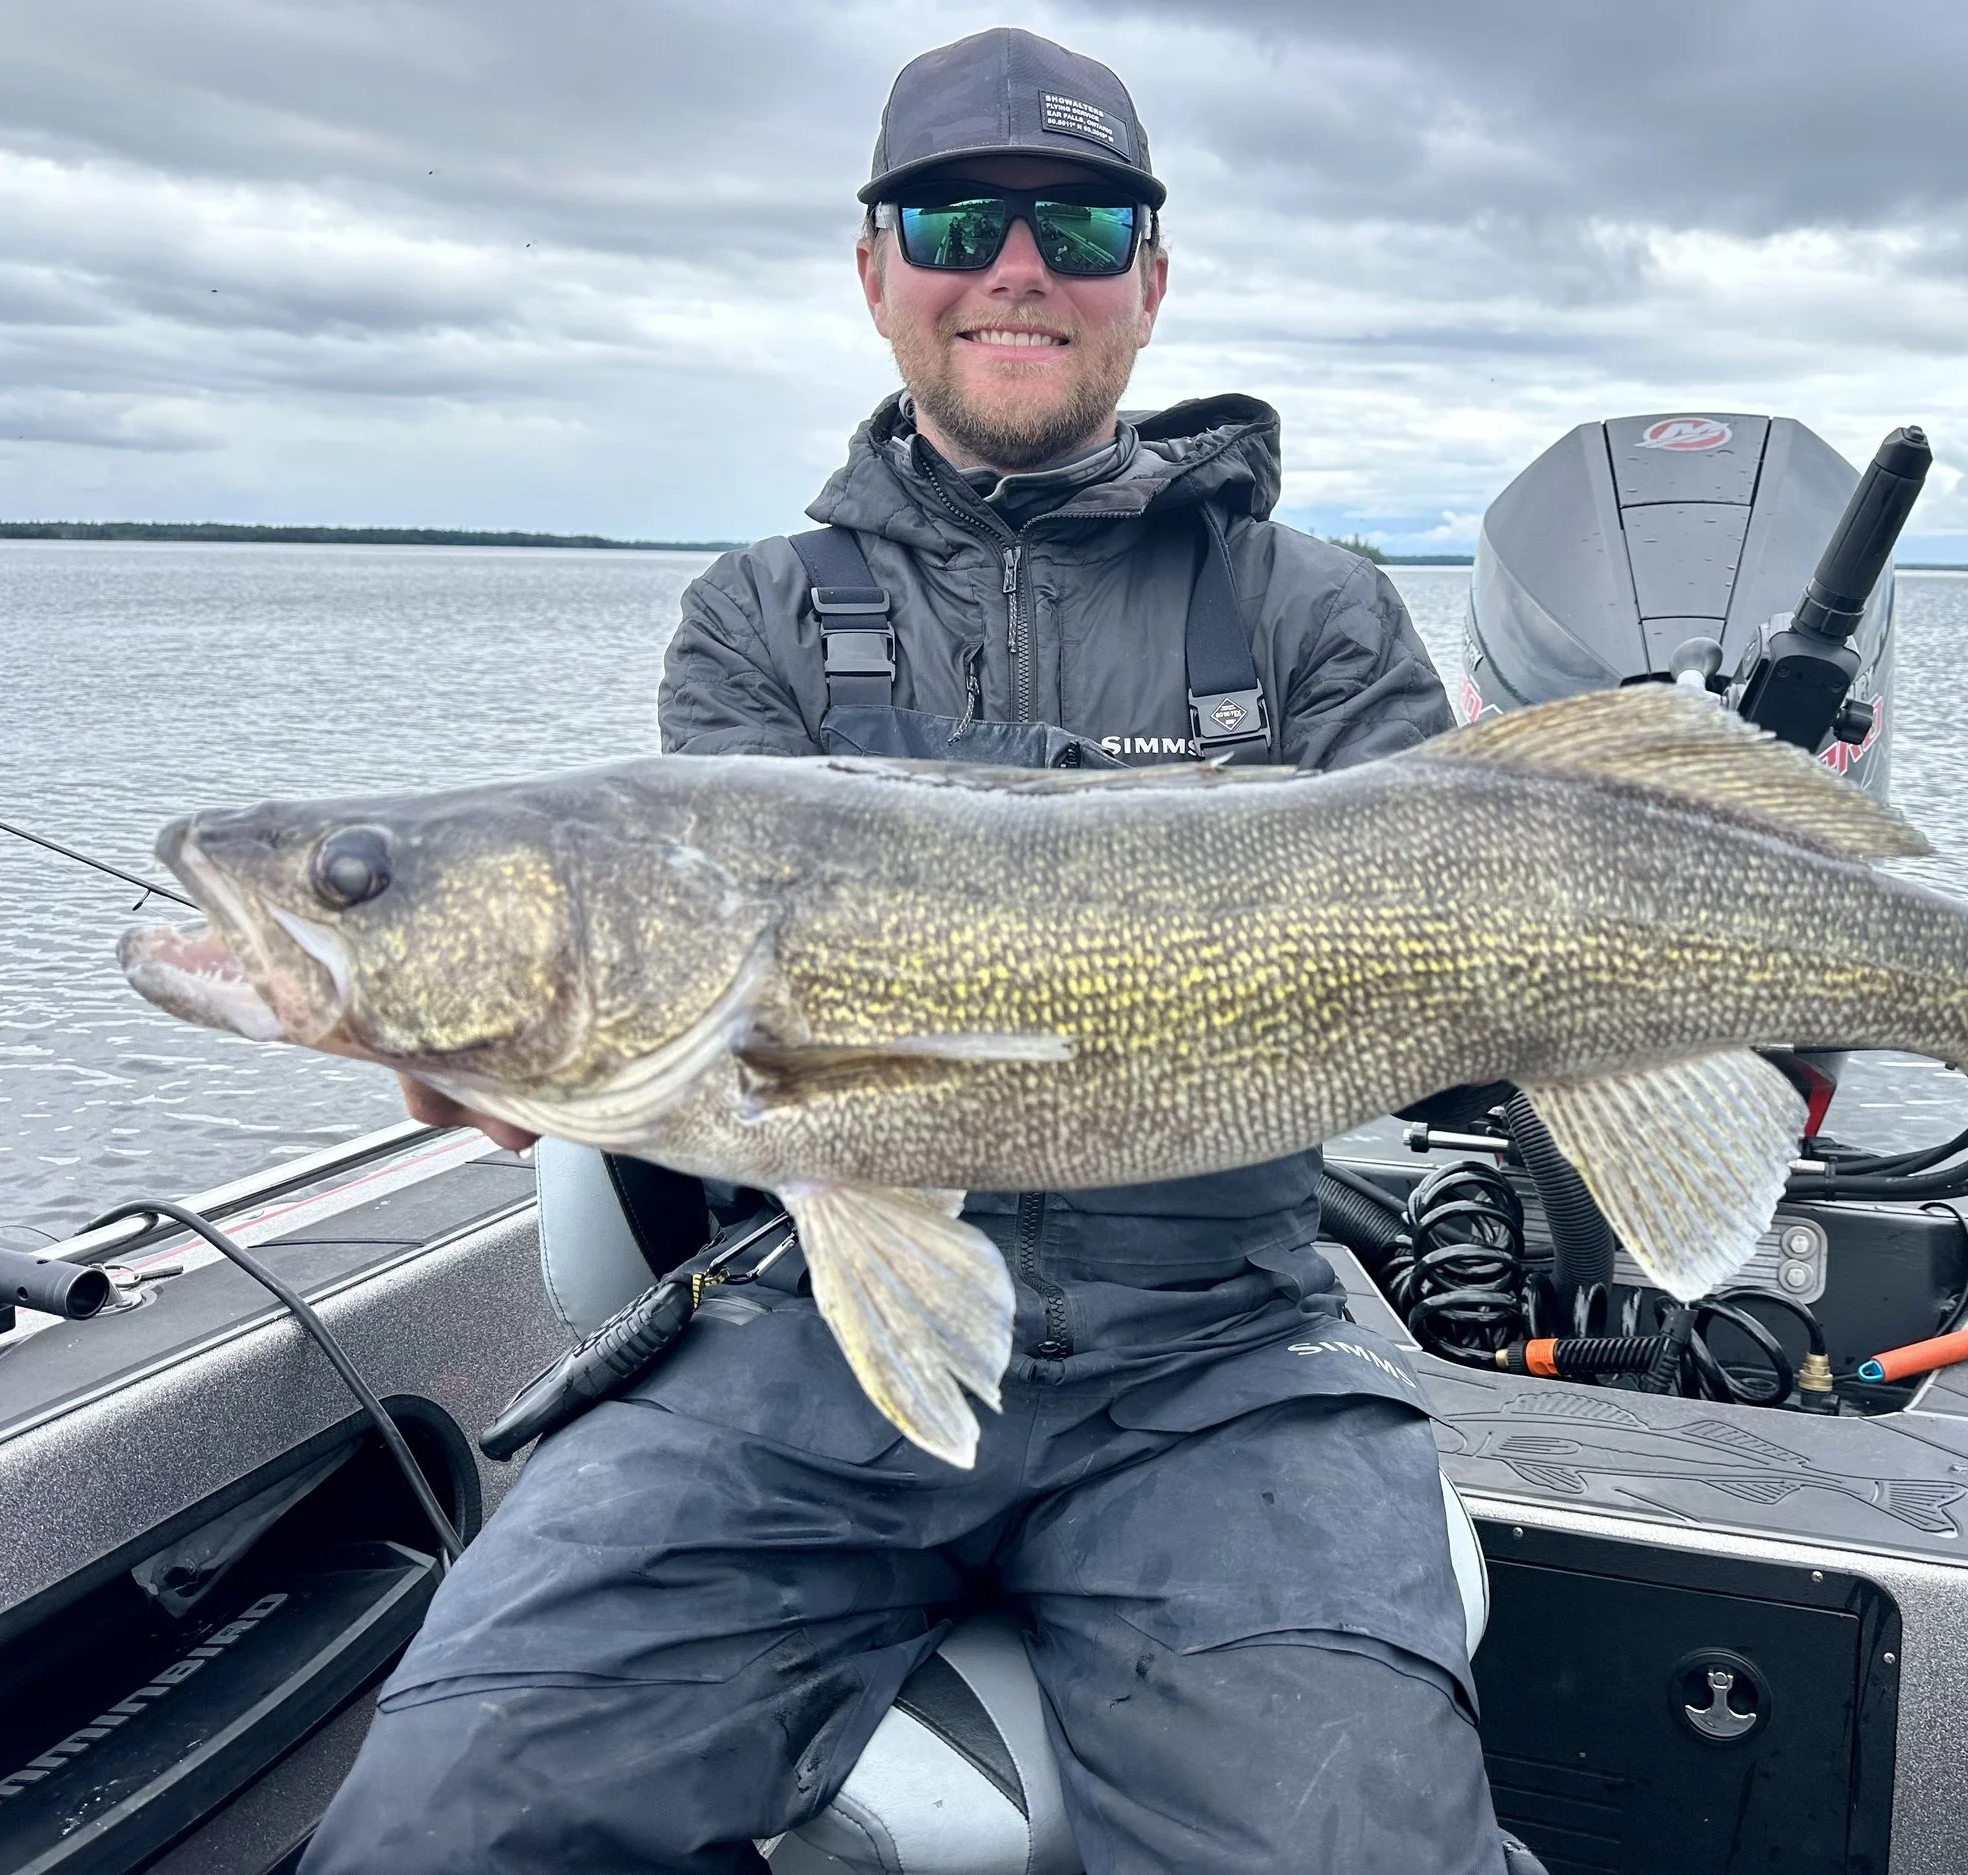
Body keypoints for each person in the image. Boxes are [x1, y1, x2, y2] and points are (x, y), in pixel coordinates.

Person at [318, 28, 1536, 1875]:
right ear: (877, 267)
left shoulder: (1319, 611)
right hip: (795, 1338)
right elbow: (713, 1024)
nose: (1017, 265)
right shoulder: (755, 618)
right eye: (957, 218)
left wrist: (1667, 1013)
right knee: (446, 1822)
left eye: (1082, 221)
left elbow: (1460, 1035)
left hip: (1225, 1365)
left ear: (1153, 275)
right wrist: (535, 1060)